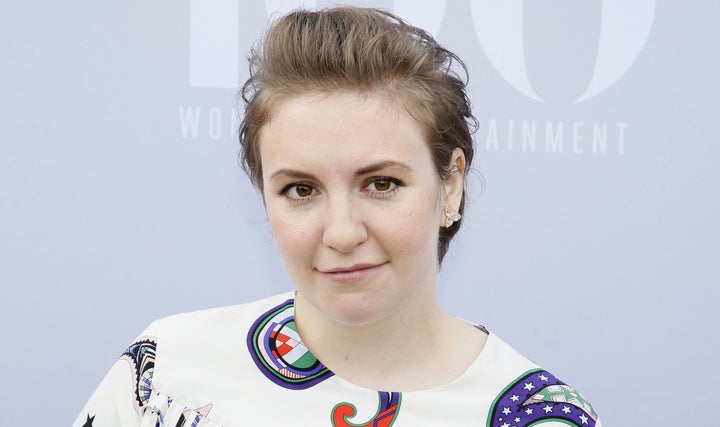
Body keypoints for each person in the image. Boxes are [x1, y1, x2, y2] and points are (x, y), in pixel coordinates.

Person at [74, 7, 602, 427]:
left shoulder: (540, 416)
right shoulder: (164, 374)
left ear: (450, 183)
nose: (343, 233)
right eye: (300, 189)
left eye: (381, 184)